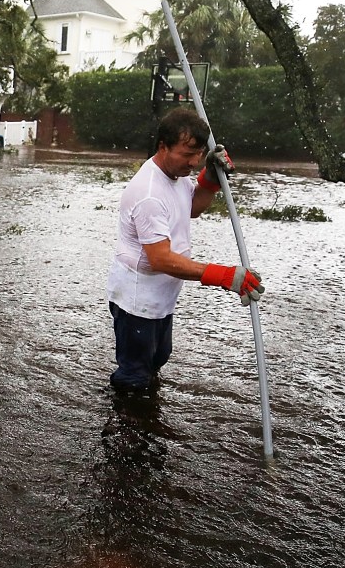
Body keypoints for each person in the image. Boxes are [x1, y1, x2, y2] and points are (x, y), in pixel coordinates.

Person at [107, 107, 264, 392]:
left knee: (158, 358)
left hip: (161, 296)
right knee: (134, 375)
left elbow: (190, 207)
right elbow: (160, 259)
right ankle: (124, 427)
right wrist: (222, 275)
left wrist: (209, 180)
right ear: (163, 146)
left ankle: (143, 418)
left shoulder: (177, 177)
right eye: (186, 154)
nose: (193, 162)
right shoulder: (149, 193)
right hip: (138, 300)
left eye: (199, 154)